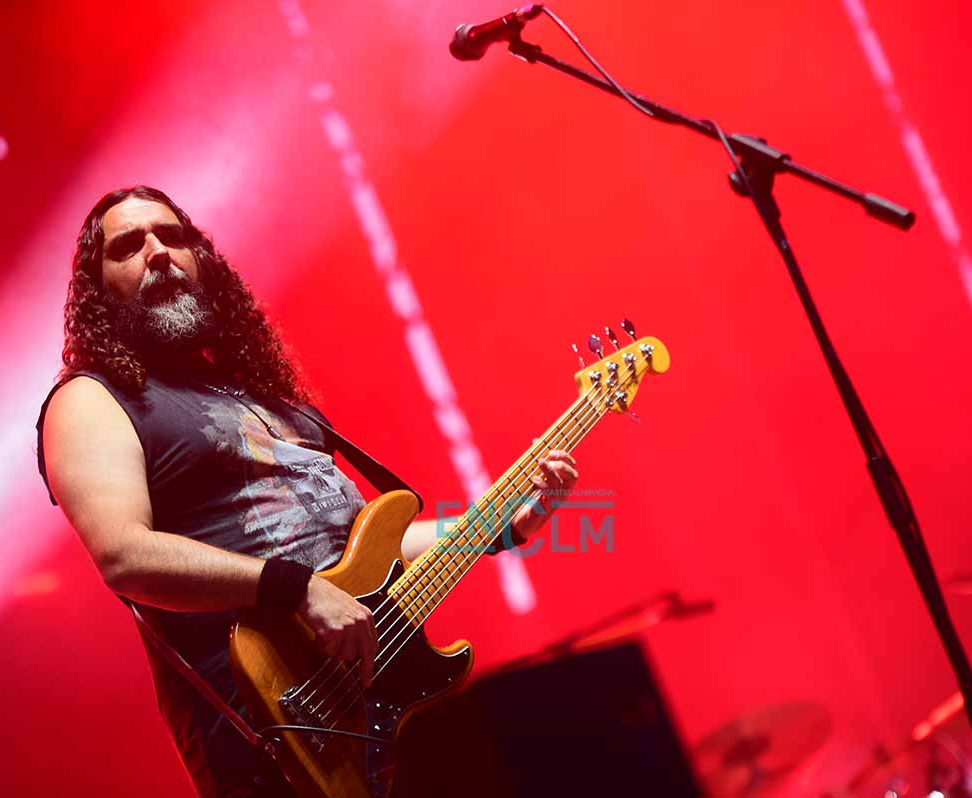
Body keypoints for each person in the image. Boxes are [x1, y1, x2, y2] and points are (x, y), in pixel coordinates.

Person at [36, 186, 578, 797]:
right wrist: (298, 588)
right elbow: (124, 555)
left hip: (374, 711)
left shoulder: (270, 400)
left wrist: (504, 526)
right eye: (129, 246)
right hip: (273, 727)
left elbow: (366, 549)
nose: (158, 252)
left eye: (172, 236)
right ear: (98, 289)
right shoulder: (91, 399)